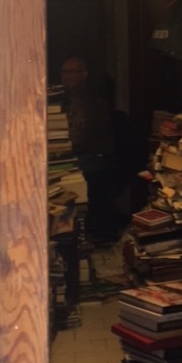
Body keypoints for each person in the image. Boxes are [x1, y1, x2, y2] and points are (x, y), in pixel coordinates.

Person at [60, 56, 121, 245]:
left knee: (74, 185)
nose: (67, 76)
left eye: (72, 72)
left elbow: (81, 136)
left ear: (84, 74)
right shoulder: (68, 98)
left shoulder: (89, 100)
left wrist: (64, 147)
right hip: (87, 155)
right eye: (65, 72)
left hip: (94, 156)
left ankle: (92, 235)